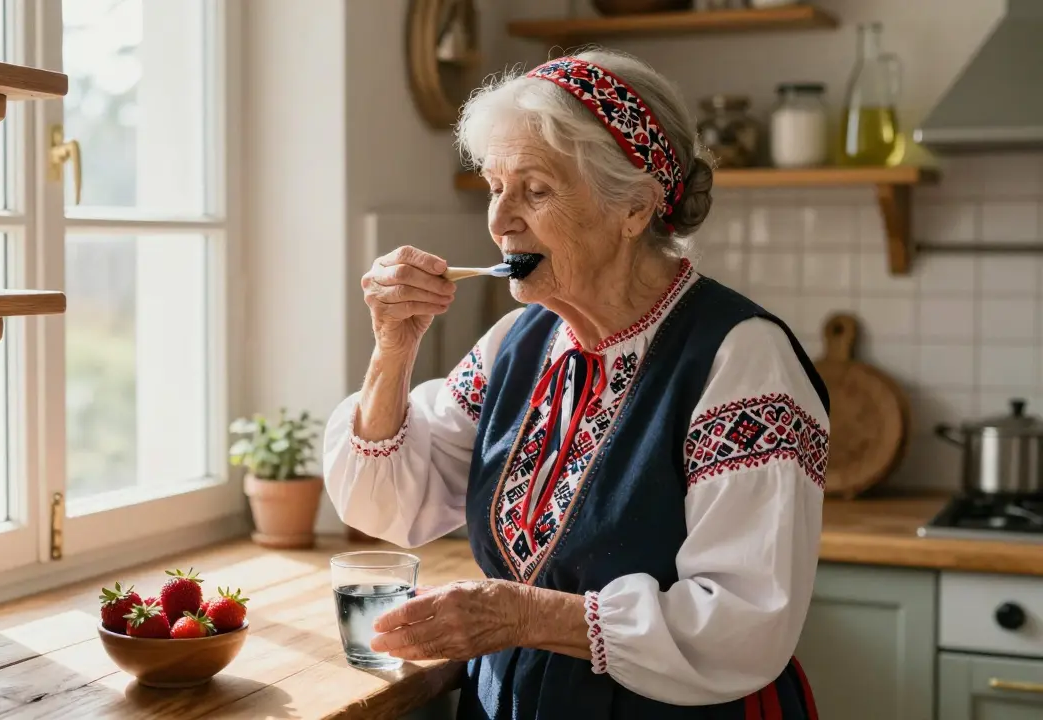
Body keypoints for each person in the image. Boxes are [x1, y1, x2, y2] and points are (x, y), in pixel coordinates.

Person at [323, 48, 828, 718]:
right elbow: (386, 506)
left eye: (535, 191)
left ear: (636, 209)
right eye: (495, 188)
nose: (501, 221)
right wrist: (393, 348)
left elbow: (741, 623)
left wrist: (522, 616)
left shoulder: (741, 360)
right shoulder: (517, 343)